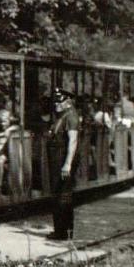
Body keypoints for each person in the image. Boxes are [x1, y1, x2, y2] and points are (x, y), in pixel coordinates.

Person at [46, 88, 81, 241]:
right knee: (58, 194)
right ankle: (60, 230)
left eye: (59, 100)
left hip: (62, 158)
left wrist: (67, 164)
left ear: (68, 101)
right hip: (57, 158)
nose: (56, 104)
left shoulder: (71, 116)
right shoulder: (63, 116)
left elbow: (73, 141)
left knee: (64, 195)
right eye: (55, 100)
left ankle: (64, 232)